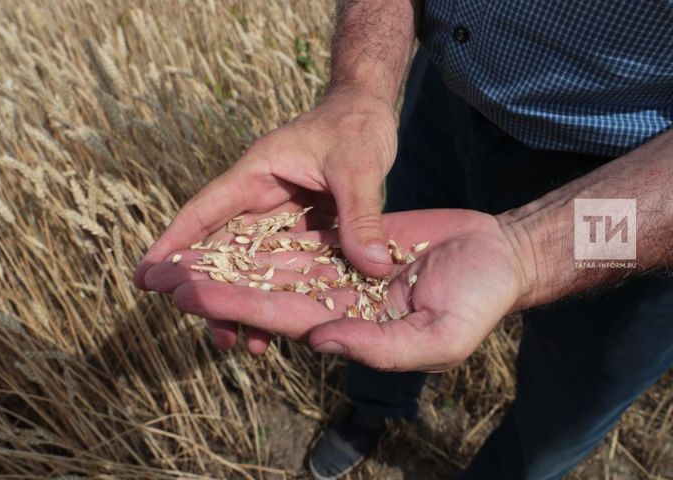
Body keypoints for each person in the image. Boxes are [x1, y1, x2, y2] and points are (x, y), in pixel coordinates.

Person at [134, 1, 673, 479]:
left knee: (564, 409)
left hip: (636, 187)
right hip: (448, 95)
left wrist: (533, 249)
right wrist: (361, 90)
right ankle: (371, 413)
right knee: (381, 293)